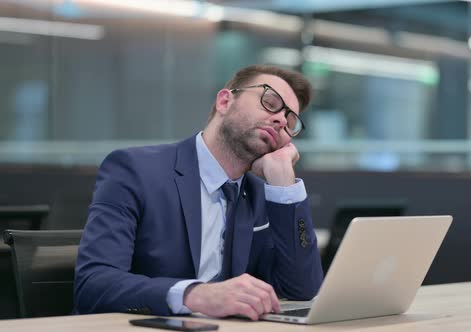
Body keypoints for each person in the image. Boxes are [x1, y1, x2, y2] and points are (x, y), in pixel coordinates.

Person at [74, 65, 323, 320]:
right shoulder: (135, 170)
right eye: (270, 102)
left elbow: (302, 288)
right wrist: (195, 295)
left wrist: (284, 184)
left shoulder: (263, 195)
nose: (281, 120)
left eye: (290, 122)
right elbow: (94, 284)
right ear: (225, 101)